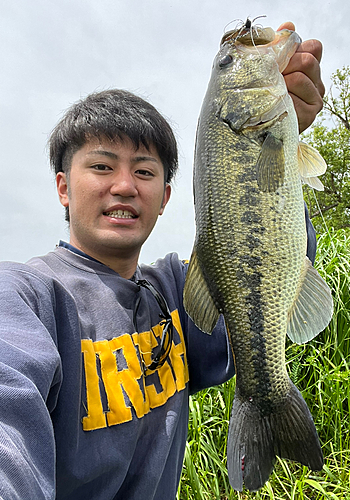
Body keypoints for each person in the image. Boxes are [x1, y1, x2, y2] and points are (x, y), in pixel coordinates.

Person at [0, 23, 324, 500]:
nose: (125, 186)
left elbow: (265, 255)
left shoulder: (175, 291)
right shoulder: (23, 298)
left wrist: (283, 147)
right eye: (102, 166)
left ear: (166, 196)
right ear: (63, 186)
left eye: (145, 171)